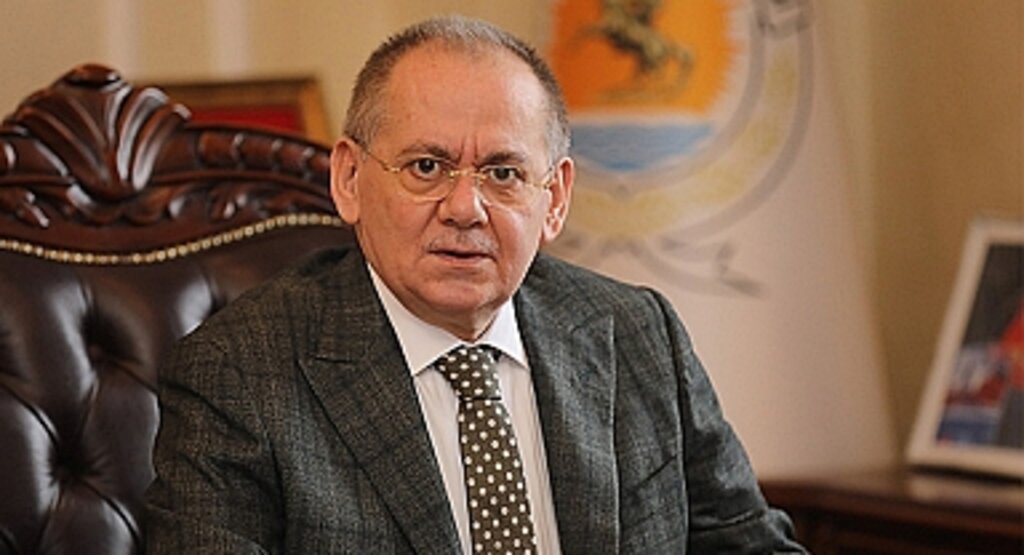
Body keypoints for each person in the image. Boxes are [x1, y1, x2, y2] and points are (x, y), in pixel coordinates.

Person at [145, 15, 805, 554]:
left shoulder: (637, 335)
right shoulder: (238, 373)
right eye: (426, 167)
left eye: (503, 173)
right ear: (348, 179)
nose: (466, 208)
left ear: (555, 198)